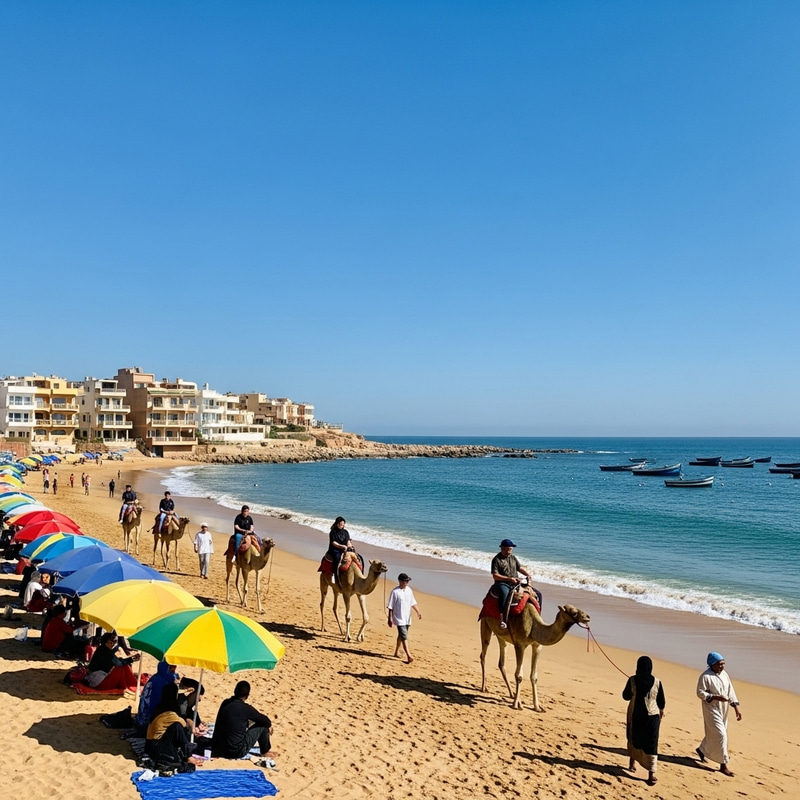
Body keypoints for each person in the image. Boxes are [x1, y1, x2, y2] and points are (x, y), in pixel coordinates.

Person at [696, 652, 742, 777]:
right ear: (712, 664)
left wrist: (736, 708)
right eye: (719, 664)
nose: (722, 666)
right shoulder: (705, 677)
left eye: (723, 664)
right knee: (721, 734)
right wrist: (715, 697)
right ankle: (723, 765)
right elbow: (700, 693)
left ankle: (702, 749)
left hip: (724, 709)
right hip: (711, 709)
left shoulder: (725, 675)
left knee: (718, 732)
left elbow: (730, 692)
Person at [622, 655, 665, 786]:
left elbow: (625, 696)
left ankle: (632, 763)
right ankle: (651, 775)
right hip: (652, 717)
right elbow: (661, 702)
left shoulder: (632, 680)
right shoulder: (657, 682)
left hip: (636, 714)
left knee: (634, 738)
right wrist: (661, 711)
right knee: (651, 744)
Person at [211, 679, 273, 760]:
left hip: (217, 749)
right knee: (263, 726)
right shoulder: (246, 708)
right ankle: (265, 751)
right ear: (247, 695)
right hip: (235, 752)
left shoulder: (225, 703)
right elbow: (266, 721)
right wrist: (268, 726)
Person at [146, 683, 202, 770]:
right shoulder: (169, 713)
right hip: (156, 748)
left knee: (176, 728)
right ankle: (189, 756)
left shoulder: (160, 707)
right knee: (177, 727)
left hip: (150, 745)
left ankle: (187, 752)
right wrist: (192, 725)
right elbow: (183, 724)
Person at [490, 539, 532, 629]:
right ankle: (502, 618)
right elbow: (495, 575)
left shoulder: (513, 558)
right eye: (508, 549)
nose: (510, 551)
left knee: (536, 593)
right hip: (502, 583)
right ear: (502, 548)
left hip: (516, 582)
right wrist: (509, 579)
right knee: (504, 594)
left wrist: (527, 574)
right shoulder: (496, 560)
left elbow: (519, 568)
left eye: (511, 549)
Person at [386, 572, 422, 664]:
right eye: (405, 581)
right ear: (400, 581)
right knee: (404, 636)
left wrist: (418, 612)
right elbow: (390, 606)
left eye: (407, 581)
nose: (406, 583)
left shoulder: (409, 590)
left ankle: (396, 652)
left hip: (407, 618)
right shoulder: (395, 592)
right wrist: (389, 618)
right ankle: (409, 656)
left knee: (401, 636)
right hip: (399, 618)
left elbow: (413, 602)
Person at [137, 660, 179, 730]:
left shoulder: (158, 678)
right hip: (149, 721)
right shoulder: (160, 682)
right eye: (171, 670)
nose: (173, 672)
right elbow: (157, 704)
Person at [327, 516, 352, 585]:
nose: (342, 526)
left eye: (343, 524)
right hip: (335, 549)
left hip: (344, 549)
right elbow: (333, 542)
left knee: (356, 557)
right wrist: (341, 546)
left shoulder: (345, 532)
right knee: (337, 557)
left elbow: (348, 541)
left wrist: (350, 545)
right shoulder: (333, 532)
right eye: (340, 524)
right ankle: (333, 574)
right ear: (337, 524)